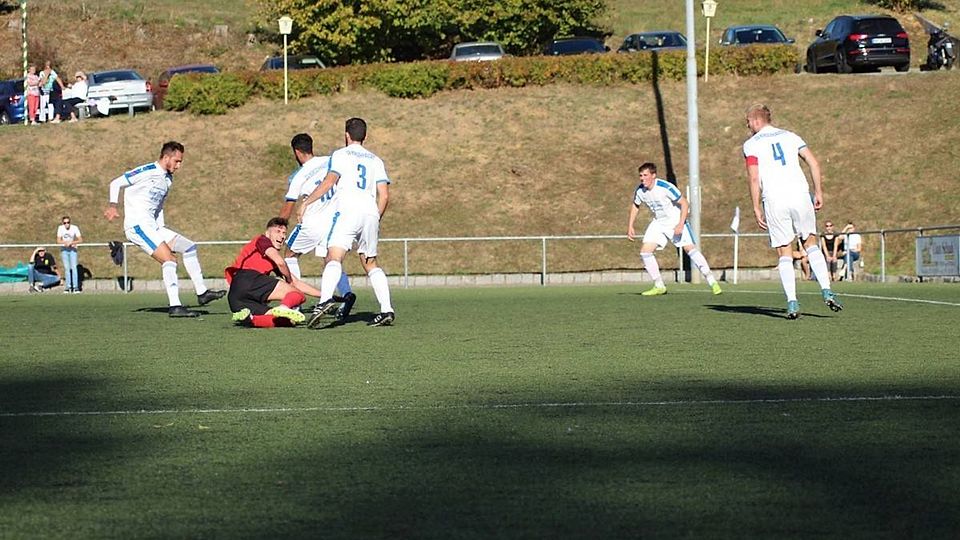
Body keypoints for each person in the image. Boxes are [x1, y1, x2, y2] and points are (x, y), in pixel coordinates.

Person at [104, 141, 226, 317]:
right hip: (137, 226)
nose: (179, 166)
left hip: (153, 226)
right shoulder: (147, 171)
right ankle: (175, 306)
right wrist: (112, 206)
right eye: (177, 161)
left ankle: (202, 293)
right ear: (166, 157)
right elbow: (115, 183)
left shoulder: (168, 179)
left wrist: (161, 227)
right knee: (169, 259)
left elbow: (158, 206)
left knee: (189, 247)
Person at [743, 104, 842, 319]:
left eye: (748, 121)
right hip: (800, 195)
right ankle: (827, 290)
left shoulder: (751, 145)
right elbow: (813, 163)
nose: (747, 126)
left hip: (775, 199)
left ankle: (792, 302)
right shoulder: (791, 136)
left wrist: (756, 206)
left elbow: (754, 177)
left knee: (784, 252)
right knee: (811, 243)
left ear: (757, 120)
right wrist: (818, 191)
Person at [299, 117, 395, 327]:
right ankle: (387, 310)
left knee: (334, 256)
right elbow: (384, 195)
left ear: (346, 135)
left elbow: (329, 181)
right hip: (371, 212)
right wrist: (375, 218)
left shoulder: (340, 154)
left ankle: (324, 301)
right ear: (365, 136)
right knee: (370, 263)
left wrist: (307, 202)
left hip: (348, 211)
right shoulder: (376, 160)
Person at [279, 133, 355, 319]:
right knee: (332, 261)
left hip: (312, 224)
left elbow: (289, 206)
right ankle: (346, 294)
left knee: (289, 254)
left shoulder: (298, 176)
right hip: (335, 222)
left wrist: (277, 228)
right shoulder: (330, 161)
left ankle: (296, 303)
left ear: (297, 152)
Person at [627, 162, 723, 296]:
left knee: (690, 249)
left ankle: (712, 281)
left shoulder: (665, 187)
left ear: (653, 175)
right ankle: (659, 285)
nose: (642, 178)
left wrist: (680, 224)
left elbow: (684, 203)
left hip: (675, 220)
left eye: (645, 175)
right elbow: (635, 205)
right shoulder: (640, 191)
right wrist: (630, 225)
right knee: (645, 252)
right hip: (658, 222)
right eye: (641, 176)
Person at [226, 217, 327, 327]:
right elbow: (281, 263)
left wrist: (326, 296)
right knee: (298, 295)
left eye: (284, 233)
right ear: (267, 233)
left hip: (235, 298)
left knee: (285, 321)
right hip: (248, 278)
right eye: (278, 231)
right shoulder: (263, 240)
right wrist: (288, 280)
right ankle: (284, 307)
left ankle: (250, 319)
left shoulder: (271, 259)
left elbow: (296, 282)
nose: (282, 236)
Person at [56, 216, 82, 293]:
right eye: (65, 223)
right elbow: (58, 240)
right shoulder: (60, 228)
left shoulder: (75, 228)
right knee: (67, 268)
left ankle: (75, 287)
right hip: (64, 250)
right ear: (63, 223)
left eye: (68, 222)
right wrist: (65, 243)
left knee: (74, 268)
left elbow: (80, 239)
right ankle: (68, 287)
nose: (66, 224)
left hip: (73, 250)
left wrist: (72, 242)